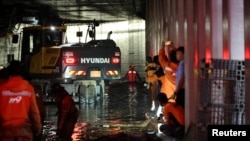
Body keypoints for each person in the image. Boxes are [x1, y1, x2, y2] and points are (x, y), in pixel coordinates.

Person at [0, 60, 42, 141]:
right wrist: (38, 127)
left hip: (6, 132)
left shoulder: (2, 89)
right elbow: (34, 111)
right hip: (24, 131)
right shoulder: (28, 88)